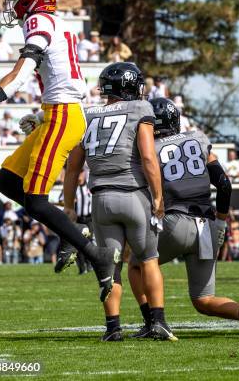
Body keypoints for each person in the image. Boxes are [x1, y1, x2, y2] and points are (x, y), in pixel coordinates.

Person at [0, 0, 119, 301]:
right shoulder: (58, 21)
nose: (13, 4)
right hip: (58, 112)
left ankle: (97, 254)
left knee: (35, 199)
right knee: (7, 180)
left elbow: (24, 71)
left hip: (63, 117)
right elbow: (63, 77)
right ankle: (71, 231)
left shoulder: (39, 20)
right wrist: (40, 115)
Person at [128, 97, 239, 340]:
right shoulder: (197, 139)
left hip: (176, 222)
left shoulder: (150, 149)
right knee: (204, 300)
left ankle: (153, 321)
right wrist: (220, 221)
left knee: (136, 264)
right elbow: (224, 184)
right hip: (206, 226)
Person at [63, 62, 170, 341]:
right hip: (133, 194)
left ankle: (113, 328)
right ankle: (158, 321)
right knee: (148, 260)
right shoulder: (139, 109)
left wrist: (70, 205)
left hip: (101, 199)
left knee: (110, 266)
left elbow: (73, 167)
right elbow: (148, 158)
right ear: (129, 86)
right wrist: (158, 197)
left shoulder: (87, 115)